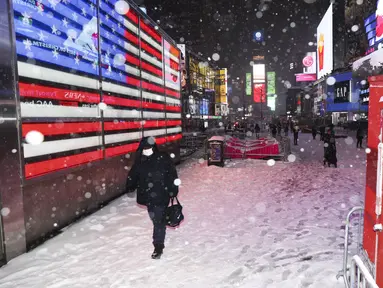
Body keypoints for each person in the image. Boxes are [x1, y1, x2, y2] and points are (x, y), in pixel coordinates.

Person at [126, 137, 179, 259]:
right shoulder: (141, 160)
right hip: (149, 196)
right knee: (156, 218)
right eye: (144, 148)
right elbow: (133, 175)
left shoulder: (162, 158)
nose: (146, 150)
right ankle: (160, 233)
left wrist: (173, 189)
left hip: (162, 194)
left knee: (158, 220)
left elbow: (172, 174)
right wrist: (130, 186)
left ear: (153, 148)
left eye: (148, 148)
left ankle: (158, 245)